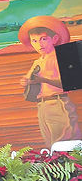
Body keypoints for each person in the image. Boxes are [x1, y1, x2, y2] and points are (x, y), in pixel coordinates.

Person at [19, 16, 81, 146]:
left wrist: (43, 79)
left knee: (64, 144)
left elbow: (67, 83)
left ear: (55, 39)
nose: (39, 44)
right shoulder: (37, 61)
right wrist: (26, 81)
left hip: (58, 103)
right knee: (50, 145)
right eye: (34, 41)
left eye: (43, 39)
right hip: (42, 106)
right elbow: (30, 80)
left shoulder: (60, 57)